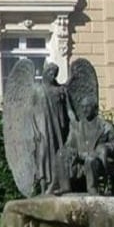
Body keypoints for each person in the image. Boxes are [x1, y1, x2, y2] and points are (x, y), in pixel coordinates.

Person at [33, 62, 70, 195]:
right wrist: (35, 130)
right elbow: (29, 113)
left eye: (54, 74)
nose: (52, 75)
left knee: (56, 154)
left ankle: (56, 184)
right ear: (44, 72)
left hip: (56, 128)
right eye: (50, 72)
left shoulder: (59, 90)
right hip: (42, 127)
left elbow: (66, 111)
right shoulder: (37, 89)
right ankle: (43, 187)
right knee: (42, 155)